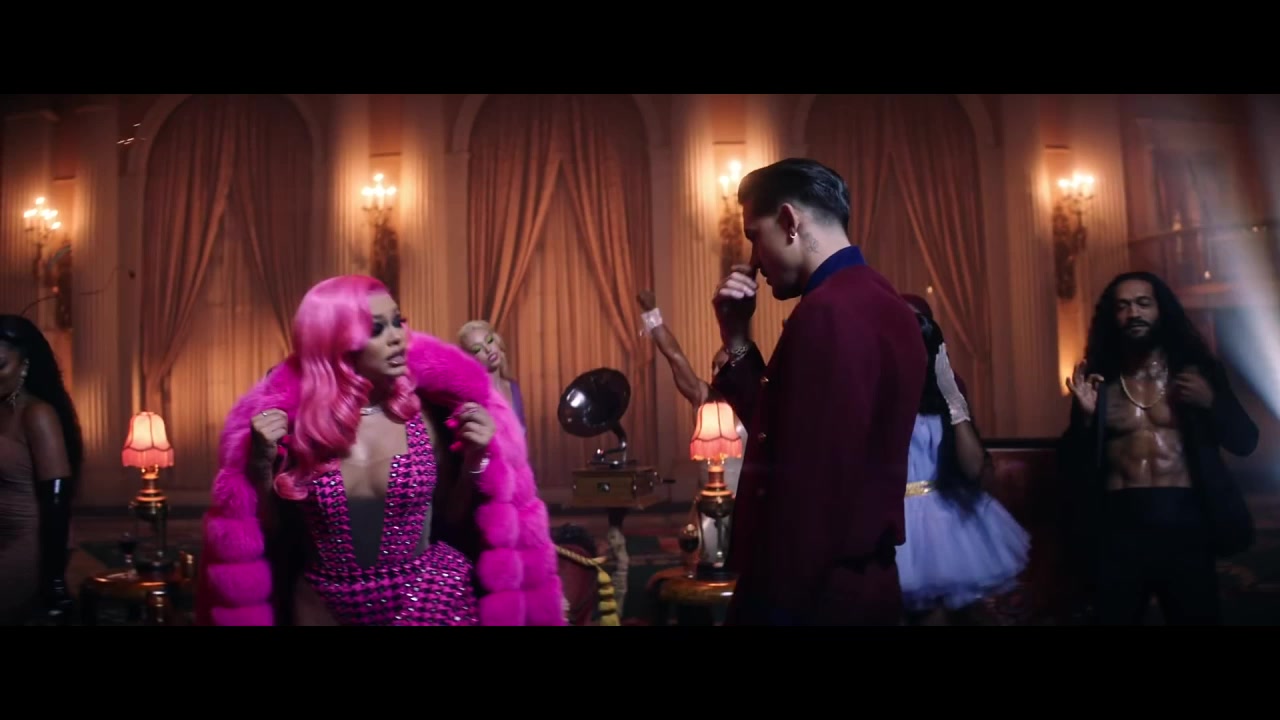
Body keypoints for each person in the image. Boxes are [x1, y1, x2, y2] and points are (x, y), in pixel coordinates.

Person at [197, 276, 564, 626]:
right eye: (376, 329)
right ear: (336, 341)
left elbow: (452, 518)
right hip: (323, 604)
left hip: (429, 595)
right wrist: (260, 465)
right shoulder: (298, 428)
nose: (398, 337)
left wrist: (474, 458)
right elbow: (271, 534)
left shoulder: (423, 417)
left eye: (397, 322)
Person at [710, 158, 926, 625]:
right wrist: (737, 338)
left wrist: (772, 607)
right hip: (856, 585)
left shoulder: (829, 311)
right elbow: (786, 431)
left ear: (789, 221)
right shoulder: (880, 299)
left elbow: (813, 487)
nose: (754, 260)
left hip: (814, 593)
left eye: (755, 236)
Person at [1060, 270, 1257, 625]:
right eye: (1123, 306)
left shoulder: (1197, 375)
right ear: (1112, 317)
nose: (1133, 313)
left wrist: (1211, 402)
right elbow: (1070, 466)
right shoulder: (1099, 383)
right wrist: (1085, 421)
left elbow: (1245, 441)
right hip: (1119, 527)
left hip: (1185, 523)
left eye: (1142, 303)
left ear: (1161, 310)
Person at [896, 300, 1029, 625]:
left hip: (943, 517)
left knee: (938, 614)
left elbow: (972, 467)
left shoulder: (944, 398)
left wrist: (952, 398)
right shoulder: (873, 392)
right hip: (893, 519)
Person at [634, 289, 747, 563]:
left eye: (723, 367)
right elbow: (674, 356)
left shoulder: (755, 402)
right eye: (713, 367)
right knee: (699, 566)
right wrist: (652, 314)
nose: (716, 372)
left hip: (745, 507)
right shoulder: (702, 397)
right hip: (705, 507)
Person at [0, 314, 83, 625]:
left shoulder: (37, 414)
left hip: (27, 543)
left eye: (0, 364)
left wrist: (54, 581)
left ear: (25, 365)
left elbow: (56, 501)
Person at [458, 320, 526, 430]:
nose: (488, 349)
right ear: (470, 359)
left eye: (489, 340)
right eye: (477, 349)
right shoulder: (474, 397)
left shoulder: (513, 387)